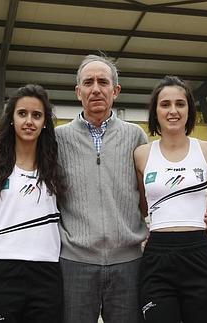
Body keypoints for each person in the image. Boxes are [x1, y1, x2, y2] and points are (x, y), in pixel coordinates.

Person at [55, 54, 148, 323]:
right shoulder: (58, 139)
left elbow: (146, 194)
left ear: (115, 91)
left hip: (128, 263)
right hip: (75, 262)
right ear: (78, 92)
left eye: (103, 82)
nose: (96, 88)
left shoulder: (135, 136)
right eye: (88, 82)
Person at [134, 75, 207, 322]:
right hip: (157, 256)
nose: (173, 111)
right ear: (155, 111)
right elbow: (141, 207)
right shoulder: (142, 155)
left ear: (189, 110)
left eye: (180, 104)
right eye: (165, 105)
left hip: (198, 253)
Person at [0, 84, 65, 322]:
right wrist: (6, 230)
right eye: (22, 113)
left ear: (45, 122)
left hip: (46, 270)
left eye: (37, 115)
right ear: (12, 119)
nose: (29, 121)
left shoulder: (56, 169)